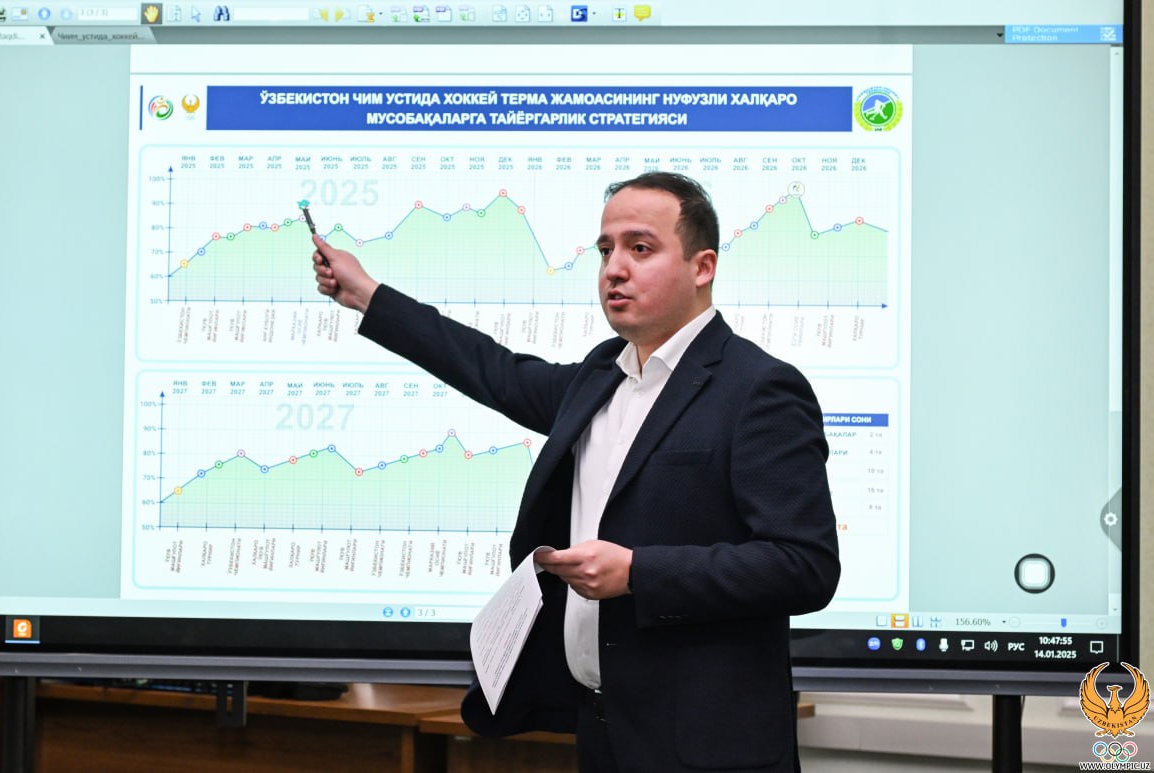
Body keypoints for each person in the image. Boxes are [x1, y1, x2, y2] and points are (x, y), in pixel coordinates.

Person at [312, 172, 840, 772]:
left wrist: (638, 572)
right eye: (606, 250)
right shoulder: (600, 377)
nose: (615, 268)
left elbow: (805, 566)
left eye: (640, 248)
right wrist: (367, 295)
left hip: (708, 750)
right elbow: (492, 369)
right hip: (602, 731)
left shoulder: (759, 389)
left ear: (703, 267)